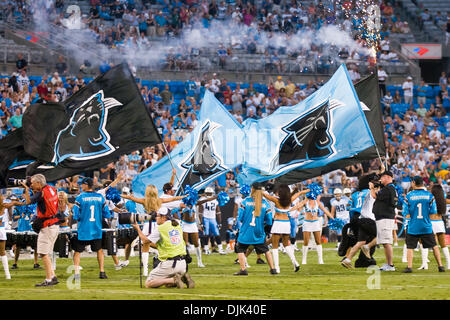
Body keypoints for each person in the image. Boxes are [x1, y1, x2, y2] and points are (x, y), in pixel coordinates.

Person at [121, 185, 185, 276]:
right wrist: (183, 197)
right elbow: (173, 199)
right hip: (158, 223)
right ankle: (160, 258)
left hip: (148, 224)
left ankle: (145, 271)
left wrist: (121, 195)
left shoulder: (144, 201)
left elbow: (131, 198)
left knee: (145, 246)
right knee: (160, 243)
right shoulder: (159, 200)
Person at [132, 207, 195, 289]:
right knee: (167, 285)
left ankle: (175, 280)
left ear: (164, 217)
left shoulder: (161, 228)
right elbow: (162, 245)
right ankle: (182, 278)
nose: (156, 218)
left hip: (170, 264)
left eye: (158, 216)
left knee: (149, 283)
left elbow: (145, 241)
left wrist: (137, 229)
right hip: (183, 264)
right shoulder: (177, 224)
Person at [22, 174, 60, 287]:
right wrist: (33, 189)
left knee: (43, 253)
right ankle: (52, 276)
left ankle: (49, 279)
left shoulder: (41, 192)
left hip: (47, 226)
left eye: (33, 183)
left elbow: (28, 202)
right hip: (54, 225)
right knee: (46, 254)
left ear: (39, 183)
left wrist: (26, 190)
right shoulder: (51, 189)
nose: (31, 184)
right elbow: (41, 199)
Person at [402, 176, 445, 273]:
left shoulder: (408, 196)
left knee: (410, 247)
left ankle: (409, 267)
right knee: (434, 246)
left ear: (413, 183)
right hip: (426, 225)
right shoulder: (430, 196)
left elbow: (406, 213)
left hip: (413, 226)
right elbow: (433, 211)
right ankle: (440, 266)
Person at [263, 184, 310, 272]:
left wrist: (257, 188)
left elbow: (265, 195)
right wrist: (308, 191)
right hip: (286, 224)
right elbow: (300, 193)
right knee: (286, 245)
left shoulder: (276, 200)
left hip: (278, 223)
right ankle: (295, 262)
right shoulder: (289, 200)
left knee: (275, 246)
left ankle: (277, 268)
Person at [72, 177, 111, 280]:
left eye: (82, 184)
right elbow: (107, 213)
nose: (80, 186)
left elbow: (75, 215)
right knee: (99, 250)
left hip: (84, 229)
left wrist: (81, 218)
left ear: (85, 185)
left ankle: (76, 273)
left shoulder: (80, 198)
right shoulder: (100, 197)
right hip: (96, 229)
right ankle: (102, 272)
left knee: (77, 251)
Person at [234, 183, 276, 276]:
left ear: (252, 190)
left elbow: (240, 217)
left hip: (246, 231)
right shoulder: (265, 203)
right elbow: (269, 220)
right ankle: (273, 269)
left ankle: (243, 269)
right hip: (259, 231)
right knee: (266, 250)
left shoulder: (245, 202)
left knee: (240, 249)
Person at [341, 175, 378, 269]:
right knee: (380, 236)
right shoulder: (369, 192)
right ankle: (365, 259)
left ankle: (348, 259)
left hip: (355, 217)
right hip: (367, 217)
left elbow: (348, 207)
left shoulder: (354, 194)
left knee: (361, 241)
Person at [294, 192, 334, 266]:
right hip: (307, 223)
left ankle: (320, 260)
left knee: (318, 241)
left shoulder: (318, 203)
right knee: (306, 242)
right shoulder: (305, 202)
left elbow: (325, 211)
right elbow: (297, 207)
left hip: (315, 223)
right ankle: (304, 260)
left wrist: (333, 218)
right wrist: (288, 211)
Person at [0, 194, 27, 279]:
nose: (3, 198)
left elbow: (18, 203)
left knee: (3, 252)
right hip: (1, 229)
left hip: (1, 229)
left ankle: (8, 275)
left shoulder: (5, 205)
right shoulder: (4, 205)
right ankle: (8, 275)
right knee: (3, 252)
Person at [198, 187, 225, 255]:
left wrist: (219, 222)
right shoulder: (203, 200)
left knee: (217, 234)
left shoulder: (215, 201)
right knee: (206, 234)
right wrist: (201, 222)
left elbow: (218, 212)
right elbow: (200, 212)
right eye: (208, 193)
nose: (209, 194)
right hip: (205, 218)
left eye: (210, 193)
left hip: (212, 218)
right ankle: (206, 249)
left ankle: (220, 249)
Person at [429, 182, 450, 269]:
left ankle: (426, 264)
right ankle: (449, 264)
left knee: (432, 245)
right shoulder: (443, 199)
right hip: (440, 222)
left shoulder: (430, 199)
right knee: (443, 245)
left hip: (431, 222)